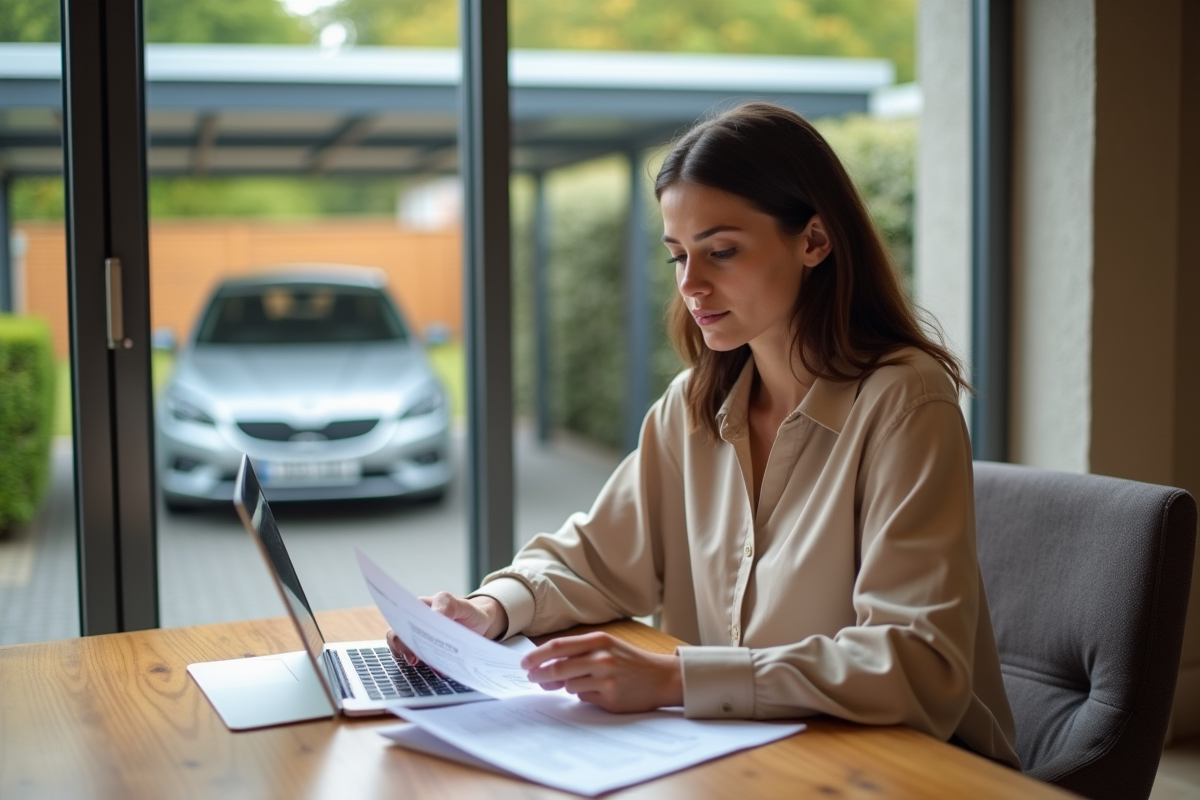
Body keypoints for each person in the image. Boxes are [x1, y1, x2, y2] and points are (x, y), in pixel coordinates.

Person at [388, 101, 1020, 768]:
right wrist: (488, 610)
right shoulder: (693, 405)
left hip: (903, 768)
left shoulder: (904, 400)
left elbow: (917, 662)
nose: (692, 284)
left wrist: (675, 677)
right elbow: (595, 561)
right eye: (677, 256)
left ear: (814, 241)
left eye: (721, 250)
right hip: (737, 762)